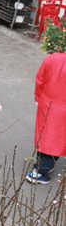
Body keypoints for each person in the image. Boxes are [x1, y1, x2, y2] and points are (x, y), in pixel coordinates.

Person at [27, 50, 66, 184]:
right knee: (56, 141)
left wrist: (38, 97)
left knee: (46, 137)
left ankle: (42, 167)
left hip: (47, 104)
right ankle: (39, 172)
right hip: (63, 109)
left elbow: (40, 79)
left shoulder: (52, 58)